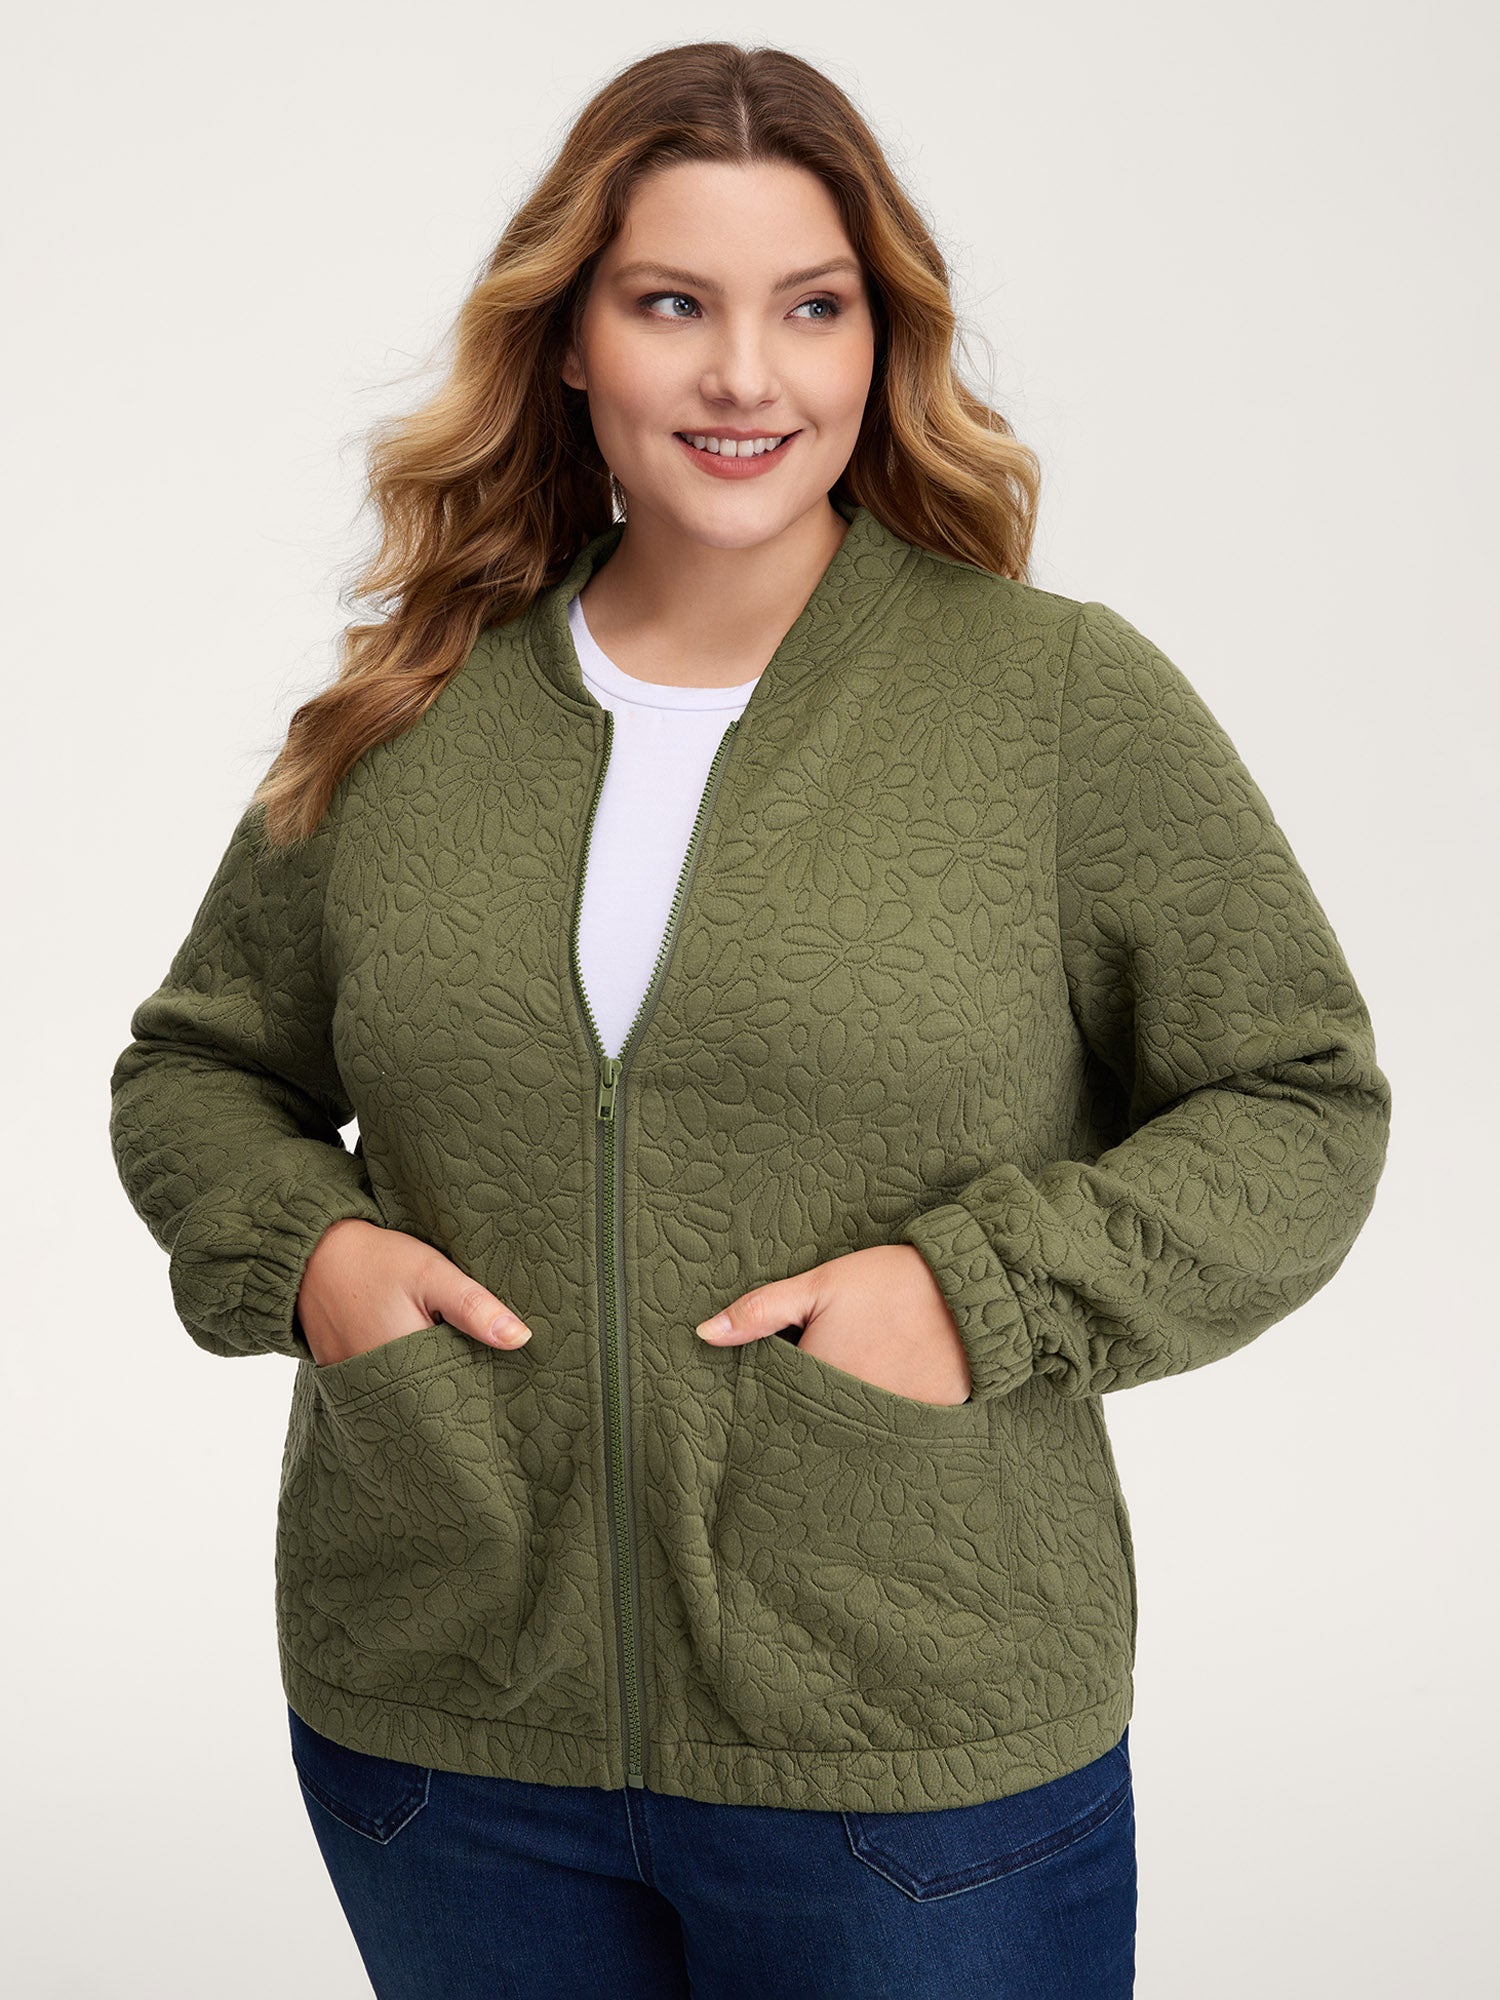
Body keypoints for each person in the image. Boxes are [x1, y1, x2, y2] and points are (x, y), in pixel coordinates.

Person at [107, 39, 1392, 2000]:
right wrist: (317, 1261)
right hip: (447, 1738)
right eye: (670, 305)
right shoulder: (413, 713)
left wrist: (978, 1294)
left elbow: (1299, 1096)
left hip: (912, 1757)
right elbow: (201, 1065)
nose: (744, 377)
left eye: (812, 307)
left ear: (883, 340)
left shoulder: (1052, 701)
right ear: (568, 341)